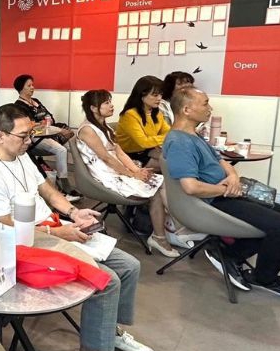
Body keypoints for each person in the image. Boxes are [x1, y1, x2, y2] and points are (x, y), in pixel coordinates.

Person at [0, 104, 154, 351]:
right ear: (1, 136)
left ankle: (110, 329)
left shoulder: (20, 156)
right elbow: (8, 227)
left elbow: (46, 190)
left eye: (31, 134)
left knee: (129, 265)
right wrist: (60, 234)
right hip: (22, 247)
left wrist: (73, 212)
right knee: (106, 282)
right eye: (23, 135)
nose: (29, 140)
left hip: (50, 231)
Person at [163, 88, 280, 295]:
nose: (210, 108)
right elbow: (191, 187)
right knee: (279, 226)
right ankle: (264, 278)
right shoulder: (180, 143)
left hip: (224, 195)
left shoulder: (193, 136)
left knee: (278, 214)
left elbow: (221, 161)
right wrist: (226, 189)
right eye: (205, 103)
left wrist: (233, 176)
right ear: (186, 110)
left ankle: (231, 254)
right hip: (213, 202)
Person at [78, 90, 178, 257]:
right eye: (106, 103)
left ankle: (170, 231)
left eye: (110, 101)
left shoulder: (105, 127)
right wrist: (132, 174)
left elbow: (120, 153)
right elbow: (106, 158)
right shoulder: (87, 129)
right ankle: (170, 232)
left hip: (114, 170)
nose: (111, 106)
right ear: (93, 108)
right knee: (157, 188)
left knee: (159, 182)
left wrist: (137, 170)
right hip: (104, 174)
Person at [13, 74, 79, 198]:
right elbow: (31, 125)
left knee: (73, 147)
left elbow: (50, 118)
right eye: (29, 85)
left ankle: (83, 179)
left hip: (50, 134)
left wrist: (45, 123)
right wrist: (45, 123)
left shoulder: (36, 101)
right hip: (36, 138)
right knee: (61, 150)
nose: (32, 88)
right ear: (21, 88)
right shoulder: (18, 106)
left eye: (32, 85)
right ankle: (63, 183)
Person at [116, 75, 169, 171]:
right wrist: (166, 137)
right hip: (130, 154)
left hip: (148, 149)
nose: (159, 98)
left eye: (161, 94)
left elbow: (168, 132)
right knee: (171, 166)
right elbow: (143, 142)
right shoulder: (130, 115)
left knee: (177, 158)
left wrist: (169, 136)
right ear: (142, 95)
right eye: (155, 95)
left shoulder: (157, 113)